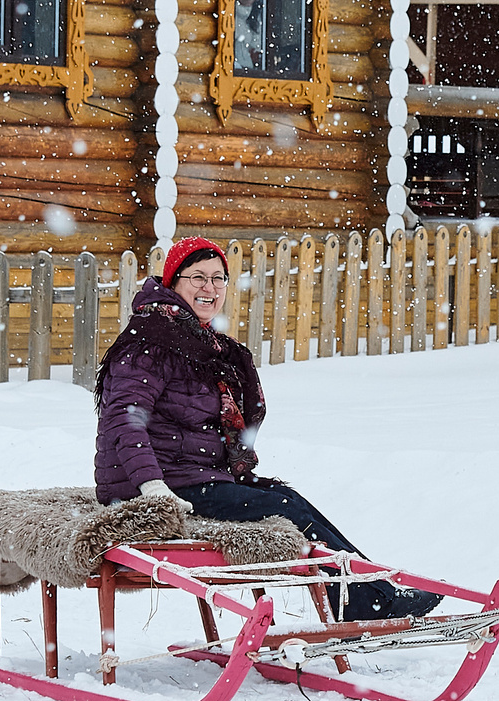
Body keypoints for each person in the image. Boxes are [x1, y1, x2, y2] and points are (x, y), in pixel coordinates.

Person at [94, 237, 434, 619]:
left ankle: (371, 594)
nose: (210, 288)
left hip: (195, 476)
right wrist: (152, 488)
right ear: (173, 282)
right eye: (198, 278)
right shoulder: (150, 343)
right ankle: (369, 603)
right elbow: (124, 418)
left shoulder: (201, 343)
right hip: (156, 487)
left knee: (292, 502)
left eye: (219, 278)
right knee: (285, 508)